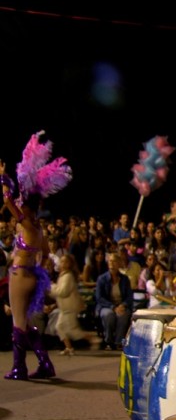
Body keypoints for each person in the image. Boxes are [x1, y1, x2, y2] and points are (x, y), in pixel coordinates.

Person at [1, 131, 72, 380]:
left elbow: (9, 203)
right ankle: (44, 363)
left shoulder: (30, 225)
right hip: (28, 274)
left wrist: (3, 179)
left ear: (29, 207)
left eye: (24, 203)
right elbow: (46, 254)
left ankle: (20, 367)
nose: (20, 205)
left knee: (18, 323)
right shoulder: (35, 228)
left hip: (21, 275)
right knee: (21, 321)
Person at [49, 253, 99, 355]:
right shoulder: (62, 276)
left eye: (65, 262)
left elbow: (63, 292)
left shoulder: (68, 276)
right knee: (59, 327)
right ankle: (69, 347)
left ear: (70, 264)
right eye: (62, 261)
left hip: (70, 307)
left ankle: (93, 338)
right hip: (64, 308)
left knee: (73, 331)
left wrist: (51, 287)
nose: (63, 263)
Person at [94, 251, 133, 350]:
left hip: (120, 305)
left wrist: (123, 305)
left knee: (123, 315)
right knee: (109, 315)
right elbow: (99, 298)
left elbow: (129, 297)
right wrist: (113, 307)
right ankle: (108, 341)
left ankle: (118, 342)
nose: (112, 263)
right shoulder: (101, 279)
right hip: (106, 306)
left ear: (119, 263)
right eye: (110, 261)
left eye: (114, 261)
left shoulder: (124, 279)